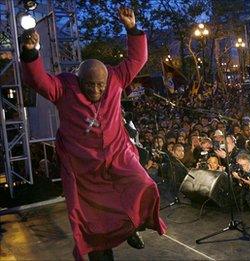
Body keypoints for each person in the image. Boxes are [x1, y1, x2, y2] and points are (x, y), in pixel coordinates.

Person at [20, 7, 166, 260]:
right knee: (92, 222)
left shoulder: (116, 79)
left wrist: (132, 29)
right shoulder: (63, 88)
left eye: (100, 84)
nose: (96, 89)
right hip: (84, 169)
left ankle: (131, 227)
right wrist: (31, 53)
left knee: (144, 185)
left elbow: (137, 60)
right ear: (78, 80)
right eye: (90, 84)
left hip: (118, 157)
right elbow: (38, 80)